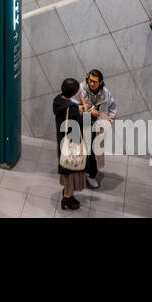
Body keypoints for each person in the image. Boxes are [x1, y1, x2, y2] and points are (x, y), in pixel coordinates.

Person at [78, 69, 117, 190]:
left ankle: (91, 175)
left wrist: (109, 122)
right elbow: (75, 106)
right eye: (90, 80)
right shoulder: (81, 89)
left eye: (95, 81)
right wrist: (88, 111)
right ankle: (81, 172)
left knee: (94, 152)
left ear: (100, 82)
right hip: (82, 125)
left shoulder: (105, 93)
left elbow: (112, 109)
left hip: (98, 127)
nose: (92, 83)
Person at [54, 77, 89, 210]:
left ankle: (66, 192)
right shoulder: (73, 109)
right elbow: (83, 123)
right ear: (74, 94)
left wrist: (79, 107)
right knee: (71, 169)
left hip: (62, 139)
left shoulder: (57, 100)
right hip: (72, 143)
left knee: (65, 167)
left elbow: (69, 110)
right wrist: (83, 103)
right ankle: (67, 198)